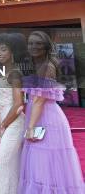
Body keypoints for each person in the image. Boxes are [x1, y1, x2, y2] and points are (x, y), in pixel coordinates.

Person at [19, 31, 84, 193]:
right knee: (42, 162)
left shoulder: (47, 66)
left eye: (38, 43)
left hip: (46, 118)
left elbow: (40, 100)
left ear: (46, 46)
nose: (34, 46)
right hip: (40, 115)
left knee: (45, 162)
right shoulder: (41, 64)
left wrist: (30, 127)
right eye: (31, 43)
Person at [0, 34, 25, 194]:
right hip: (6, 124)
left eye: (4, 49)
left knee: (0, 164)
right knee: (12, 166)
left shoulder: (15, 74)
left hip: (14, 124)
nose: (0, 53)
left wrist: (2, 126)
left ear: (12, 51)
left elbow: (18, 104)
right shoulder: (1, 72)